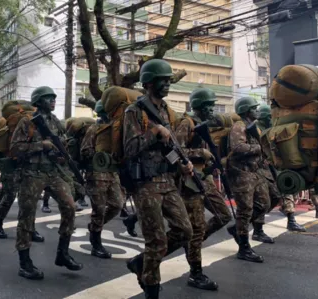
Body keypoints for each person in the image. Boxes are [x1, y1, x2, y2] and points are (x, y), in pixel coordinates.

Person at [124, 59, 193, 299]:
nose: (167, 84)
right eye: (162, 80)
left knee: (185, 230)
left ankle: (141, 263)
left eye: (168, 80)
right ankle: (151, 289)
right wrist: (154, 132)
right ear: (149, 82)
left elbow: (169, 147)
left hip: (167, 181)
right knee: (156, 241)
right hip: (145, 184)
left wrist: (183, 164)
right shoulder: (134, 111)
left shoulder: (165, 111)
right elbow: (130, 148)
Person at [10, 86, 82, 280]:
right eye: (48, 98)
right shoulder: (27, 122)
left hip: (53, 172)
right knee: (27, 215)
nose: (52, 100)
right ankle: (25, 262)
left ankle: (63, 253)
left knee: (69, 207)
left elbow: (61, 144)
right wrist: (40, 145)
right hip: (32, 173)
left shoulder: (55, 121)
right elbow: (15, 149)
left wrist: (61, 154)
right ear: (38, 101)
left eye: (53, 97)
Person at [175, 87, 234, 290]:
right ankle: (196, 273)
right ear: (198, 106)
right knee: (197, 228)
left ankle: (193, 243)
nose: (211, 109)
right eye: (207, 105)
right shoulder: (186, 123)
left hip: (205, 178)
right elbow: (176, 152)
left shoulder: (203, 125)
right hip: (190, 181)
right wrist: (201, 152)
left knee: (224, 215)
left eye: (212, 105)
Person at [225, 97, 270, 263]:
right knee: (245, 210)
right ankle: (243, 247)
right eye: (253, 108)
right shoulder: (239, 126)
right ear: (245, 110)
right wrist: (258, 148)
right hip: (241, 174)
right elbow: (237, 148)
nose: (257, 110)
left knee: (264, 204)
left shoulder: (253, 127)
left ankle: (237, 229)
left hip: (254, 172)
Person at [80, 100, 124, 259]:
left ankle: (94, 227)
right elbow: (85, 150)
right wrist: (100, 155)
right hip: (97, 174)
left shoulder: (117, 130)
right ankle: (96, 243)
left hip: (112, 173)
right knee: (98, 209)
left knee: (118, 204)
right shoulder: (94, 129)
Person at [255, 104, 306, 233]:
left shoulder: (271, 128)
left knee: (285, 191)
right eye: (269, 116)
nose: (271, 118)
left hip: (274, 166)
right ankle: (256, 225)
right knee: (264, 198)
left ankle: (290, 218)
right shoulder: (256, 129)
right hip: (260, 169)